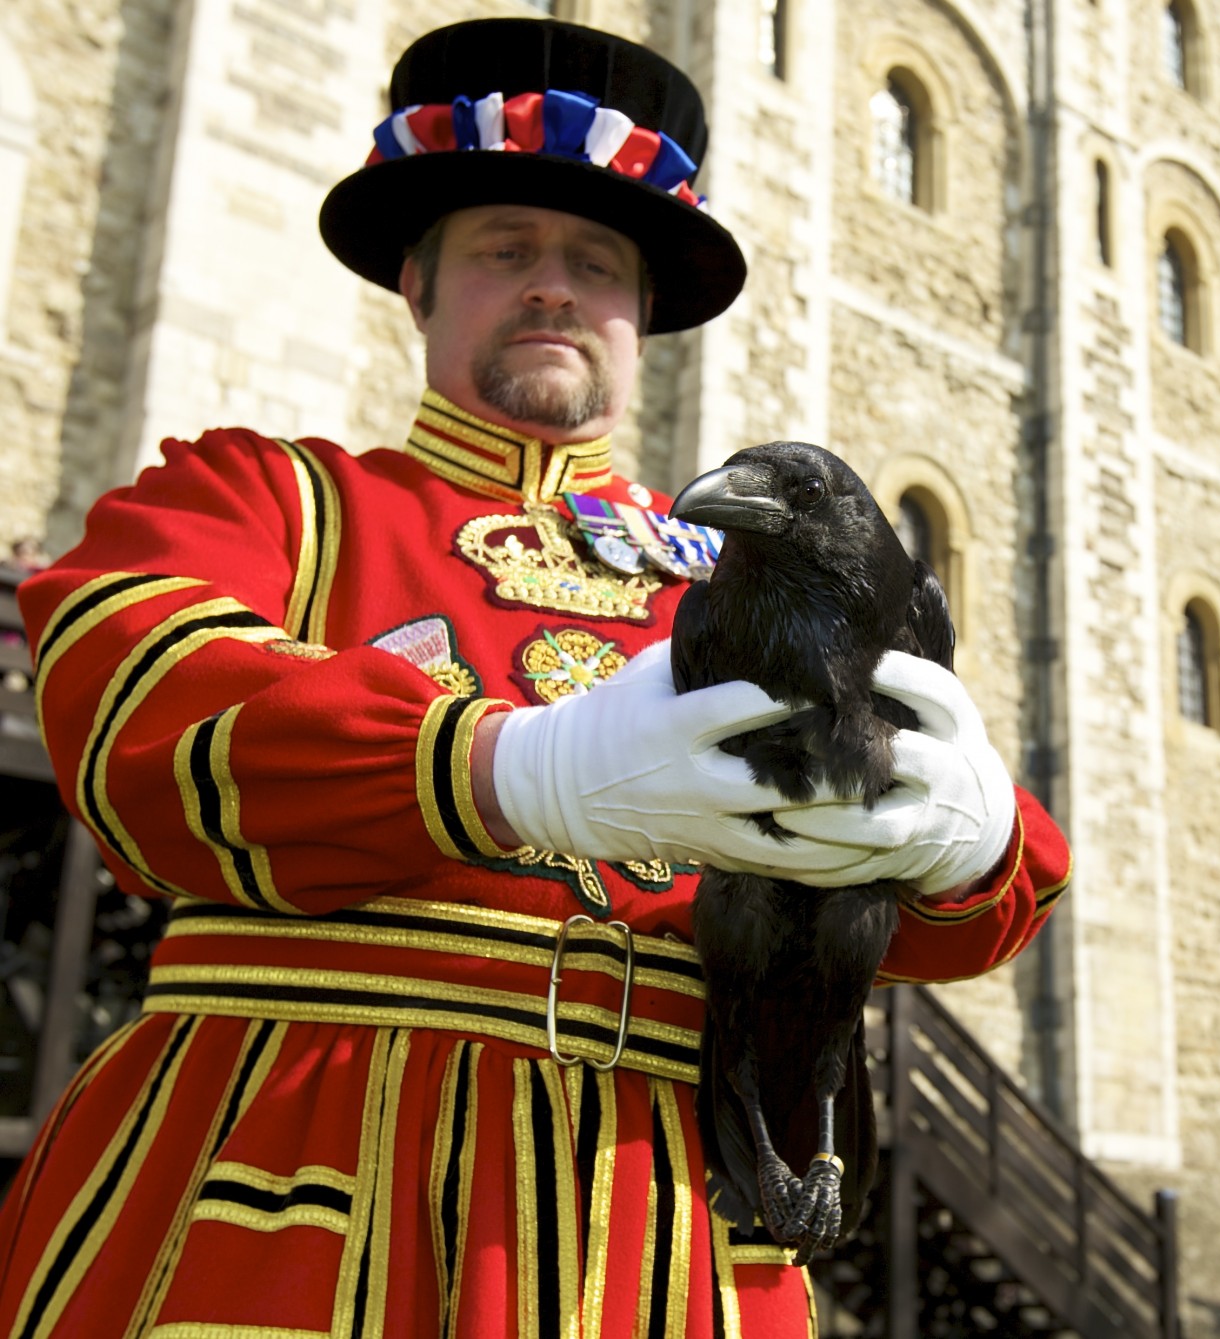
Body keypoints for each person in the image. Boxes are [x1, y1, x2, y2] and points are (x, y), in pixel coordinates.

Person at [0, 19, 1068, 1338]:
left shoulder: (745, 579)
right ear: (419, 284)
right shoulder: (269, 494)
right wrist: (505, 768)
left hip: (667, 1215)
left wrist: (966, 845)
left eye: (598, 263)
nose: (556, 287)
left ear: (641, 317)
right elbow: (139, 701)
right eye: (508, 249)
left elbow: (920, 905)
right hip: (311, 1167)